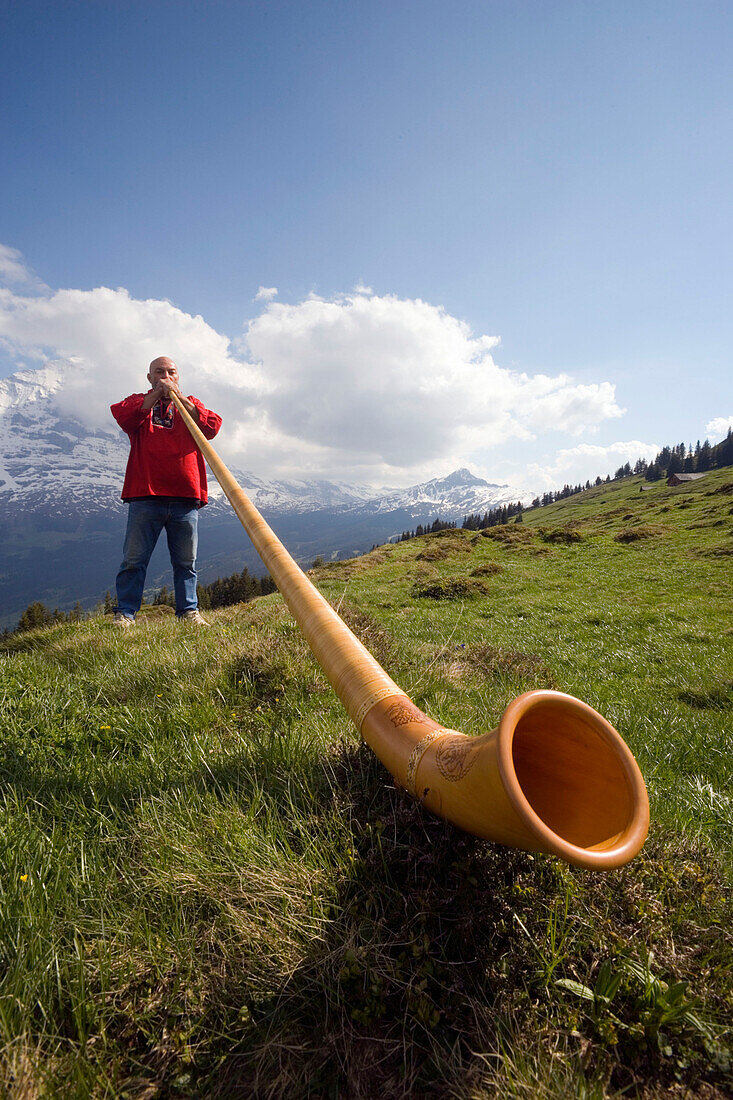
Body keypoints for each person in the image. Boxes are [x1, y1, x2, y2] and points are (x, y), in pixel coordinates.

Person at [110, 356, 222, 627]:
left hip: (185, 497)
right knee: (134, 559)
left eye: (171, 372)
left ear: (178, 377)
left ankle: (188, 612)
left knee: (186, 561)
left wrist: (180, 399)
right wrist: (156, 395)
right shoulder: (138, 402)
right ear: (149, 377)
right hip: (145, 495)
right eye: (159, 372)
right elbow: (124, 417)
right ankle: (125, 613)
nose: (165, 376)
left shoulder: (191, 404)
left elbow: (212, 427)